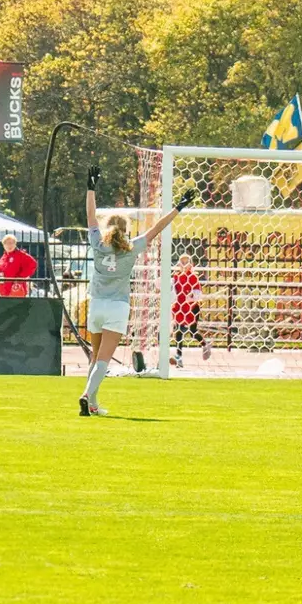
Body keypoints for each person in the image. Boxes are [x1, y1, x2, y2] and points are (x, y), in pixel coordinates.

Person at [79, 165, 186, 416]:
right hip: (117, 307)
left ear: (107, 228)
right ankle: (86, 395)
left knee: (94, 358)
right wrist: (178, 208)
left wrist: (90, 188)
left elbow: (90, 217)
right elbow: (157, 228)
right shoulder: (132, 247)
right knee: (103, 360)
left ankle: (92, 404)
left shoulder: (97, 242)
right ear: (126, 230)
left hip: (96, 305)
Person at [171, 253, 211, 367]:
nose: (184, 264)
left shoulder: (193, 277)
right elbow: (172, 290)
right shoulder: (176, 277)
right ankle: (179, 357)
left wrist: (191, 296)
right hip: (179, 307)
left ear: (191, 264)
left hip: (192, 308)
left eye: (186, 262)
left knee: (192, 331)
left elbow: (198, 293)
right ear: (178, 264)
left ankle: (204, 344)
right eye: (181, 262)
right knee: (178, 331)